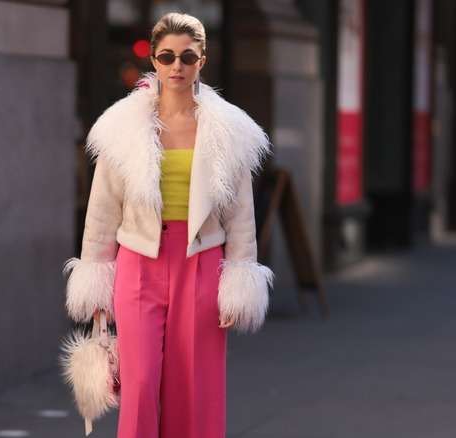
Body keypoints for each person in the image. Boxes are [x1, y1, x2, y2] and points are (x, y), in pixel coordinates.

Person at [63, 12, 274, 438]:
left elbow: (240, 215)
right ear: (154, 63)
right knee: (139, 384)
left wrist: (238, 279)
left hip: (202, 264)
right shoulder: (123, 128)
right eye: (166, 56)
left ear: (202, 62)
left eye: (187, 56)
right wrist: (96, 282)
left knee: (194, 385)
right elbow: (102, 209)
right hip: (138, 263)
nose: (176, 65)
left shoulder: (228, 131)